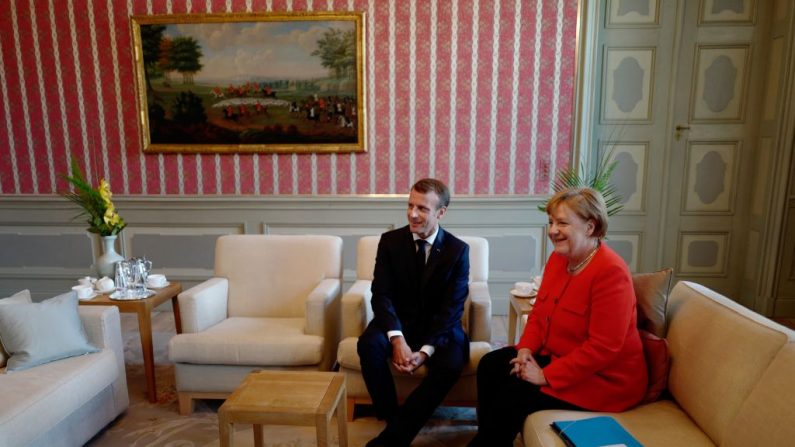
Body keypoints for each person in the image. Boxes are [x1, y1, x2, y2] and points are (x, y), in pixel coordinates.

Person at [469, 187, 648, 446]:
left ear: (590, 227)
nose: (552, 230)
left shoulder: (611, 272)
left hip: (603, 381)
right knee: (491, 365)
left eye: (562, 223)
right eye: (551, 222)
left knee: (515, 390)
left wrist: (545, 376)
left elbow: (604, 348)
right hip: (561, 358)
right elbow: (540, 314)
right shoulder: (558, 259)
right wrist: (525, 350)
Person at [358, 178, 470, 447]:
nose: (412, 214)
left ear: (441, 212)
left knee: (453, 361)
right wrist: (396, 339)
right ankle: (392, 416)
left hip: (438, 326)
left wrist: (424, 351)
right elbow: (381, 294)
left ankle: (394, 437)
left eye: (422, 208)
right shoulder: (390, 242)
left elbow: (452, 308)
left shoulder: (457, 250)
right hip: (397, 320)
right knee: (368, 345)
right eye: (409, 206)